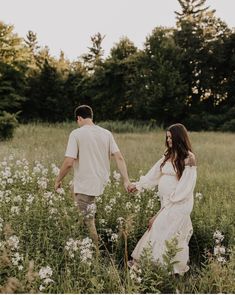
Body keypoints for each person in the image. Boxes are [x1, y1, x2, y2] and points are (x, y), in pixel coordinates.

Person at [55, 105, 131, 250]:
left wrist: (58, 179)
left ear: (79, 118)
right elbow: (119, 158)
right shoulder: (106, 133)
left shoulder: (76, 134)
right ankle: (77, 234)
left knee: (89, 222)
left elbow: (69, 162)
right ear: (91, 117)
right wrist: (126, 179)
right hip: (99, 182)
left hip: (85, 184)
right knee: (79, 203)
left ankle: (96, 251)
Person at [128, 123, 197, 274]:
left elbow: (185, 187)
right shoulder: (168, 155)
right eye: (167, 138)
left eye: (171, 138)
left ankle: (166, 269)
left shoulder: (188, 158)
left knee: (162, 230)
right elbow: (153, 175)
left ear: (179, 138)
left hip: (179, 203)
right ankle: (158, 268)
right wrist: (138, 185)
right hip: (167, 203)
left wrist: (164, 209)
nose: (169, 141)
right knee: (161, 231)